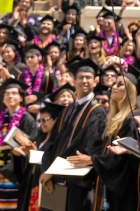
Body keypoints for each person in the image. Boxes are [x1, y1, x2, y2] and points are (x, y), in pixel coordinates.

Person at [39, 58, 107, 211]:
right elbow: (52, 142)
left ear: (95, 81)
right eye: (80, 77)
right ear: (74, 81)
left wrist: (52, 171)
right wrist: (47, 169)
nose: (84, 81)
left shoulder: (97, 111)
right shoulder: (68, 109)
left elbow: (84, 146)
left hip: (79, 181)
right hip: (57, 178)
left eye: (88, 78)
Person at [94, 72, 140, 211]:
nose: (113, 86)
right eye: (114, 83)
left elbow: (123, 160)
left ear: (131, 91)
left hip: (125, 189)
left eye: (120, 84)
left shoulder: (133, 118)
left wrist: (92, 160)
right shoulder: (116, 118)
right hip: (113, 187)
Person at [0, 79, 39, 211]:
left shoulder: (27, 119)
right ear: (3, 99)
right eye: (7, 94)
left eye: (14, 93)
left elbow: (27, 150)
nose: (10, 96)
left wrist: (5, 172)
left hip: (17, 174)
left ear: (21, 97)